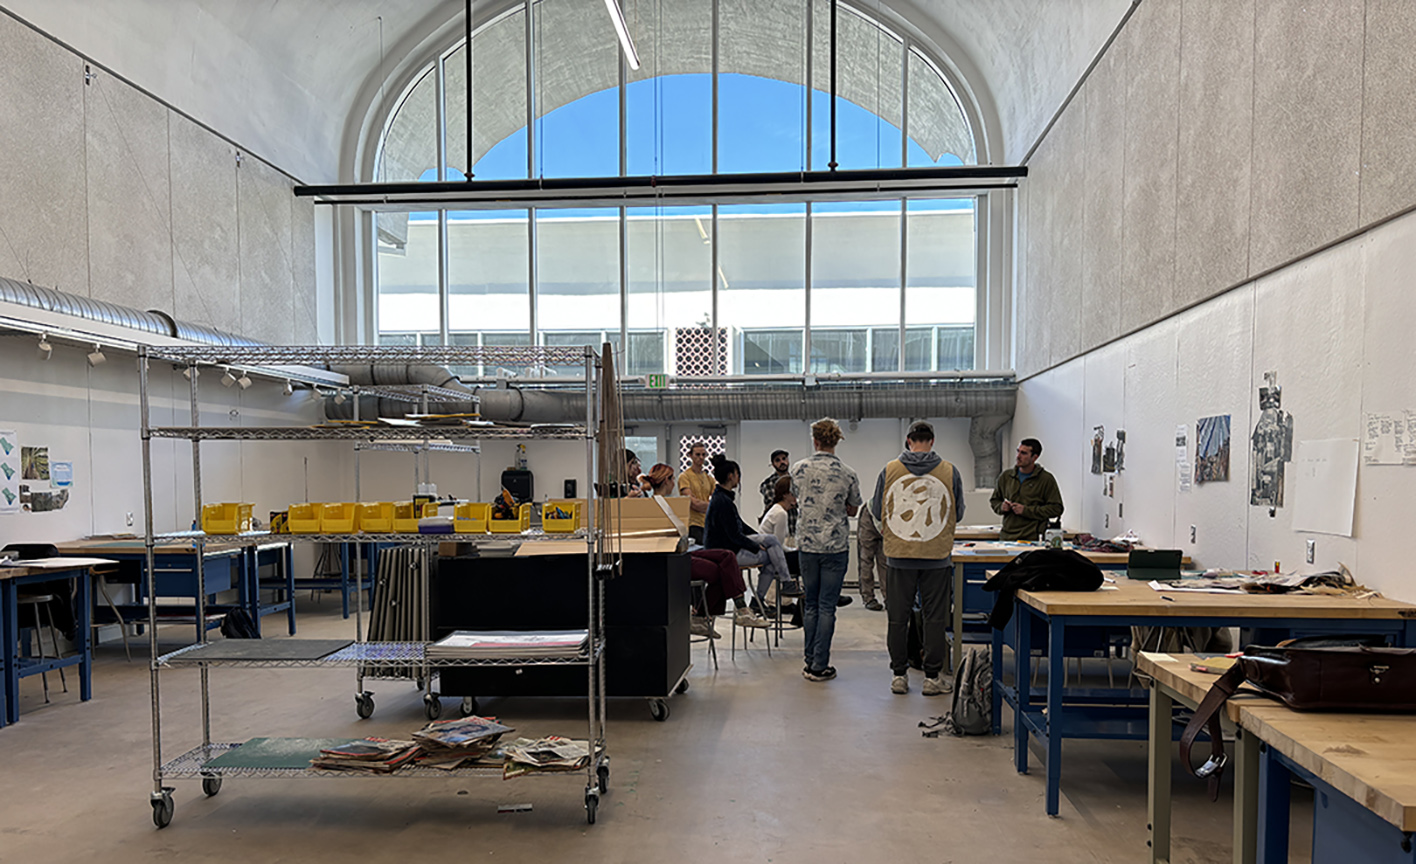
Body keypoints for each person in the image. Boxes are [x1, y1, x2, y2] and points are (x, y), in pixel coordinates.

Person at [872, 420, 964, 696]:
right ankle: (932, 677)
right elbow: (957, 513)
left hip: (900, 555)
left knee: (898, 618)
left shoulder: (890, 470)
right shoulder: (949, 471)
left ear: (908, 440)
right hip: (936, 555)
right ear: (932, 441)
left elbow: (878, 509)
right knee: (935, 617)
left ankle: (899, 676)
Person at [642, 464, 765, 636]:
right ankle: (730, 611)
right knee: (721, 570)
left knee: (727, 556)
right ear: (667, 481)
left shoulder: (669, 504)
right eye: (672, 479)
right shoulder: (658, 505)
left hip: (686, 549)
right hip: (673, 557)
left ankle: (736, 610)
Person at [790, 417, 862, 683]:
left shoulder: (798, 469)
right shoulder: (848, 473)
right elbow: (854, 508)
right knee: (827, 606)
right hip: (835, 546)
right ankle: (820, 665)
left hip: (807, 545)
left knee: (810, 604)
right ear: (835, 441)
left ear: (815, 440)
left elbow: (798, 498)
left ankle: (809, 661)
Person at [703, 454, 798, 615]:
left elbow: (741, 527)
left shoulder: (722, 498)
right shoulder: (723, 502)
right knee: (771, 557)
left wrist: (759, 539)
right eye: (738, 475)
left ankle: (760, 599)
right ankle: (774, 589)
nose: (739, 478)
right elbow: (734, 536)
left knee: (772, 546)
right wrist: (756, 546)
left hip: (727, 549)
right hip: (726, 554)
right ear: (731, 476)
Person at [989, 437, 1064, 541]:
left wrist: (1026, 510)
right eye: (1018, 451)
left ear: (1034, 457)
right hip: (1008, 537)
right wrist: (1001, 507)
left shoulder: (1046, 479)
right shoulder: (1006, 476)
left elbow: (1057, 508)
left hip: (1033, 538)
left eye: (1024, 453)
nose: (1018, 456)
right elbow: (994, 500)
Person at [677, 442, 715, 544]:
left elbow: (717, 500)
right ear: (690, 456)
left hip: (707, 523)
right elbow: (693, 503)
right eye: (697, 455)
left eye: (703, 454)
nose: (701, 457)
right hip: (693, 524)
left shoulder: (709, 478)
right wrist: (711, 507)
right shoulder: (685, 477)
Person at [757, 449, 796, 538]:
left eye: (784, 459)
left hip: (794, 527)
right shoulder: (768, 483)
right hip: (777, 529)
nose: (782, 462)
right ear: (773, 464)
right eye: (777, 460)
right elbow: (776, 503)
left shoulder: (796, 481)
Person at [856, 504, 886, 611]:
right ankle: (868, 598)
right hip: (871, 514)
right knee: (866, 560)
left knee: (885, 561)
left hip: (881, 515)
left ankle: (887, 598)